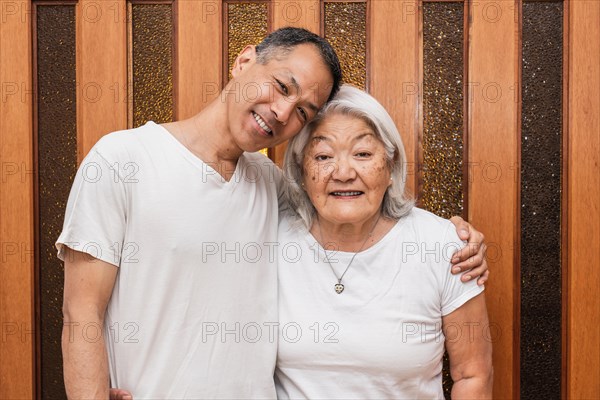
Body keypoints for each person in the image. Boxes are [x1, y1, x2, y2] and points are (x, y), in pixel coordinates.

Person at [59, 28, 487, 399]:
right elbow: (81, 314)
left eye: (302, 111)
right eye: (282, 86)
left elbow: (350, 201)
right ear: (244, 60)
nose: (283, 112)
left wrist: (455, 236)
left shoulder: (270, 184)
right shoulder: (121, 160)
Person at [275, 85, 493, 398]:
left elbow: (474, 375)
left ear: (390, 166)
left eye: (363, 154)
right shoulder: (269, 239)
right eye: (323, 156)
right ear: (301, 170)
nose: (344, 172)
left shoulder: (443, 246)